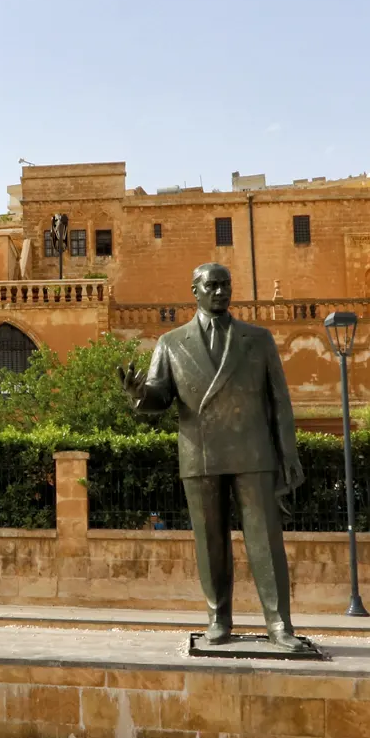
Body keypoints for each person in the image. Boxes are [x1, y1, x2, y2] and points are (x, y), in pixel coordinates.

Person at [118, 262, 308, 648]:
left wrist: (288, 454)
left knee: (265, 542)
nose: (221, 292)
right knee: (210, 542)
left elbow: (280, 403)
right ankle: (218, 618)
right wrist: (138, 394)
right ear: (196, 291)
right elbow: (160, 396)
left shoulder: (259, 339)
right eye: (213, 286)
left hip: (254, 451)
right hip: (200, 453)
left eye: (226, 285)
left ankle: (278, 624)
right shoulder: (171, 343)